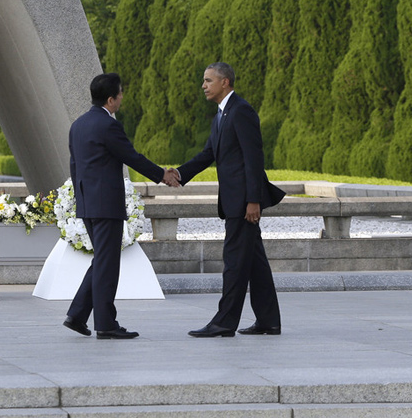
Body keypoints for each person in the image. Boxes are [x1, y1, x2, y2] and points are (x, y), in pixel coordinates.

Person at [172, 63, 285, 338]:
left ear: (225, 82)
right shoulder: (221, 116)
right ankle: (269, 321)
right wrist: (178, 173)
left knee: (234, 262)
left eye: (208, 80)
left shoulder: (241, 111)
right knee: (255, 263)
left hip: (243, 203)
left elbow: (253, 158)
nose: (203, 85)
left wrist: (253, 200)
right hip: (235, 201)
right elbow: (208, 153)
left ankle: (224, 322)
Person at [64, 73, 179, 340]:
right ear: (111, 99)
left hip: (88, 203)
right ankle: (105, 324)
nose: (122, 98)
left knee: (102, 261)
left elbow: (75, 166)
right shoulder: (108, 125)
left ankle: (77, 315)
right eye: (121, 94)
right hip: (106, 204)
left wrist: (81, 201)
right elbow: (131, 157)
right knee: (107, 264)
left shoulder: (78, 125)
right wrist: (162, 174)